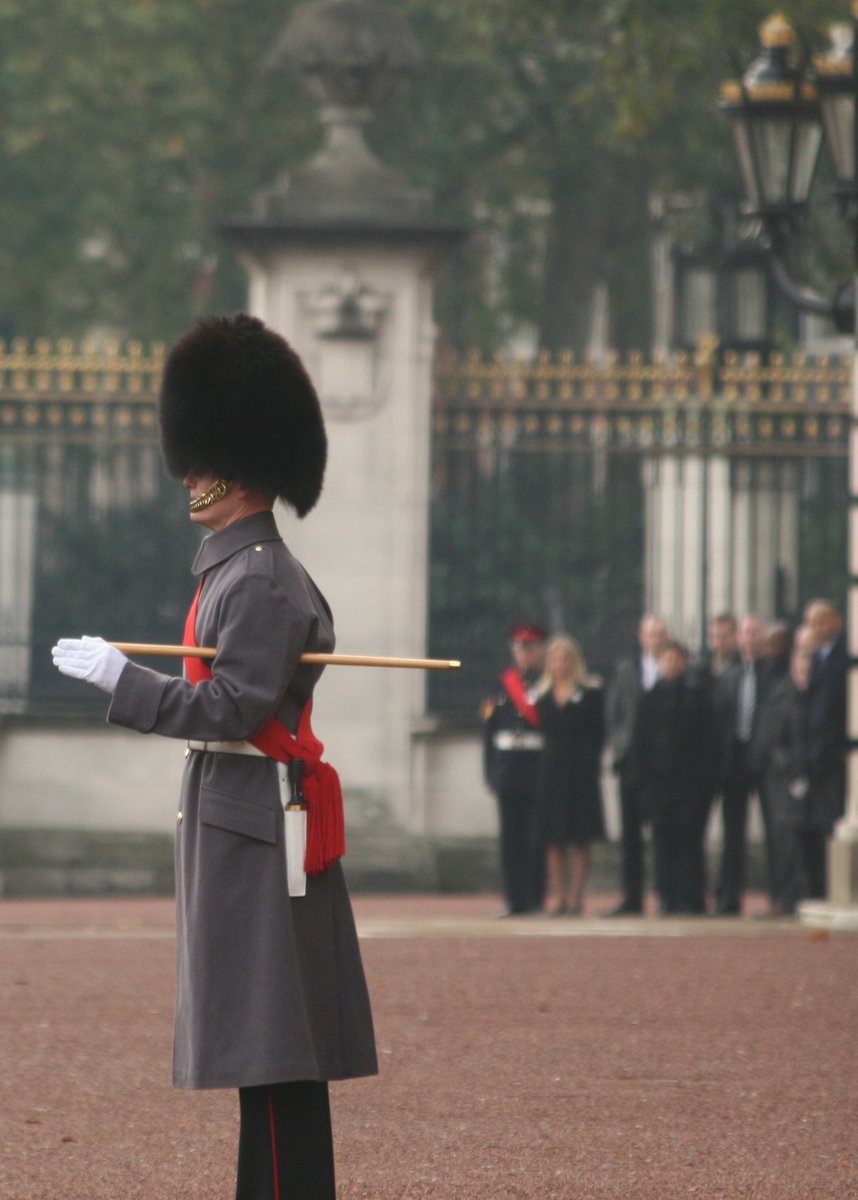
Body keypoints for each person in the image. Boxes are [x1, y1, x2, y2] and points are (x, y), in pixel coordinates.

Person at [52, 314, 377, 1200]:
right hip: (239, 819)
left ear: (242, 464)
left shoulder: (260, 576)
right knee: (261, 1050)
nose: (188, 476)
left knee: (272, 1047)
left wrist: (126, 682)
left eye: (200, 461)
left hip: (257, 827)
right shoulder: (235, 570)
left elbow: (234, 705)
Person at [628, 640, 715, 915]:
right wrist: (642, 782)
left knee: (690, 841)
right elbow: (639, 743)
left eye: (676, 659)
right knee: (662, 842)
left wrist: (704, 781)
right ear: (659, 663)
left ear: (684, 663)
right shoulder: (648, 699)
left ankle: (692, 897)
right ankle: (666, 895)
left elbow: (708, 743)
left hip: (690, 785)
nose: (672, 664)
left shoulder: (698, 699)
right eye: (667, 659)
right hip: (658, 785)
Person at [534, 635, 606, 916]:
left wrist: (592, 763)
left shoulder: (590, 693)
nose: (559, 663)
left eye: (564, 658)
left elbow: (599, 733)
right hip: (552, 771)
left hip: (581, 771)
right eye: (554, 658)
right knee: (553, 837)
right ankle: (559, 897)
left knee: (581, 836)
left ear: (574, 661)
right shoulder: (542, 695)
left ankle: (576, 897)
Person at [604, 613, 669, 916]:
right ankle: (632, 897)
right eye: (650, 633)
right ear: (641, 637)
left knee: (663, 833)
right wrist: (620, 747)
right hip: (631, 762)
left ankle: (666, 895)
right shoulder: (626, 669)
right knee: (630, 836)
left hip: (662, 766)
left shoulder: (674, 667)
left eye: (660, 633)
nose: (655, 639)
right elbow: (614, 712)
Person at [483, 624, 547, 915]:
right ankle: (514, 899)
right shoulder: (502, 685)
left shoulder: (547, 683)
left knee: (535, 839)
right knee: (511, 841)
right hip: (508, 770)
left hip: (536, 768)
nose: (525, 654)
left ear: (540, 650)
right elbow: (489, 732)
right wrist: (490, 773)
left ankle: (534, 899)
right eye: (520, 649)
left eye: (530, 649)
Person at [713, 613, 774, 915]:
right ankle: (729, 897)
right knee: (733, 833)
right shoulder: (730, 676)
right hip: (734, 762)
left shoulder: (774, 674)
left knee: (774, 830)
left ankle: (779, 896)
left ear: (763, 637)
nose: (750, 638)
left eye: (755, 632)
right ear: (738, 638)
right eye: (745, 633)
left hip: (766, 761)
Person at [762, 647, 826, 914]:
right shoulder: (781, 698)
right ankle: (789, 896)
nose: (804, 676)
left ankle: (816, 893)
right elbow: (774, 742)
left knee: (815, 841)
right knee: (788, 842)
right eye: (800, 670)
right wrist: (791, 771)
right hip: (786, 783)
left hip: (816, 781)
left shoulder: (819, 698)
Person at [804, 599, 847, 844]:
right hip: (818, 751)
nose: (817, 629)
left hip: (836, 749)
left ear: (836, 622)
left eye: (822, 622)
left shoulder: (844, 653)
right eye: (812, 624)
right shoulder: (817, 656)